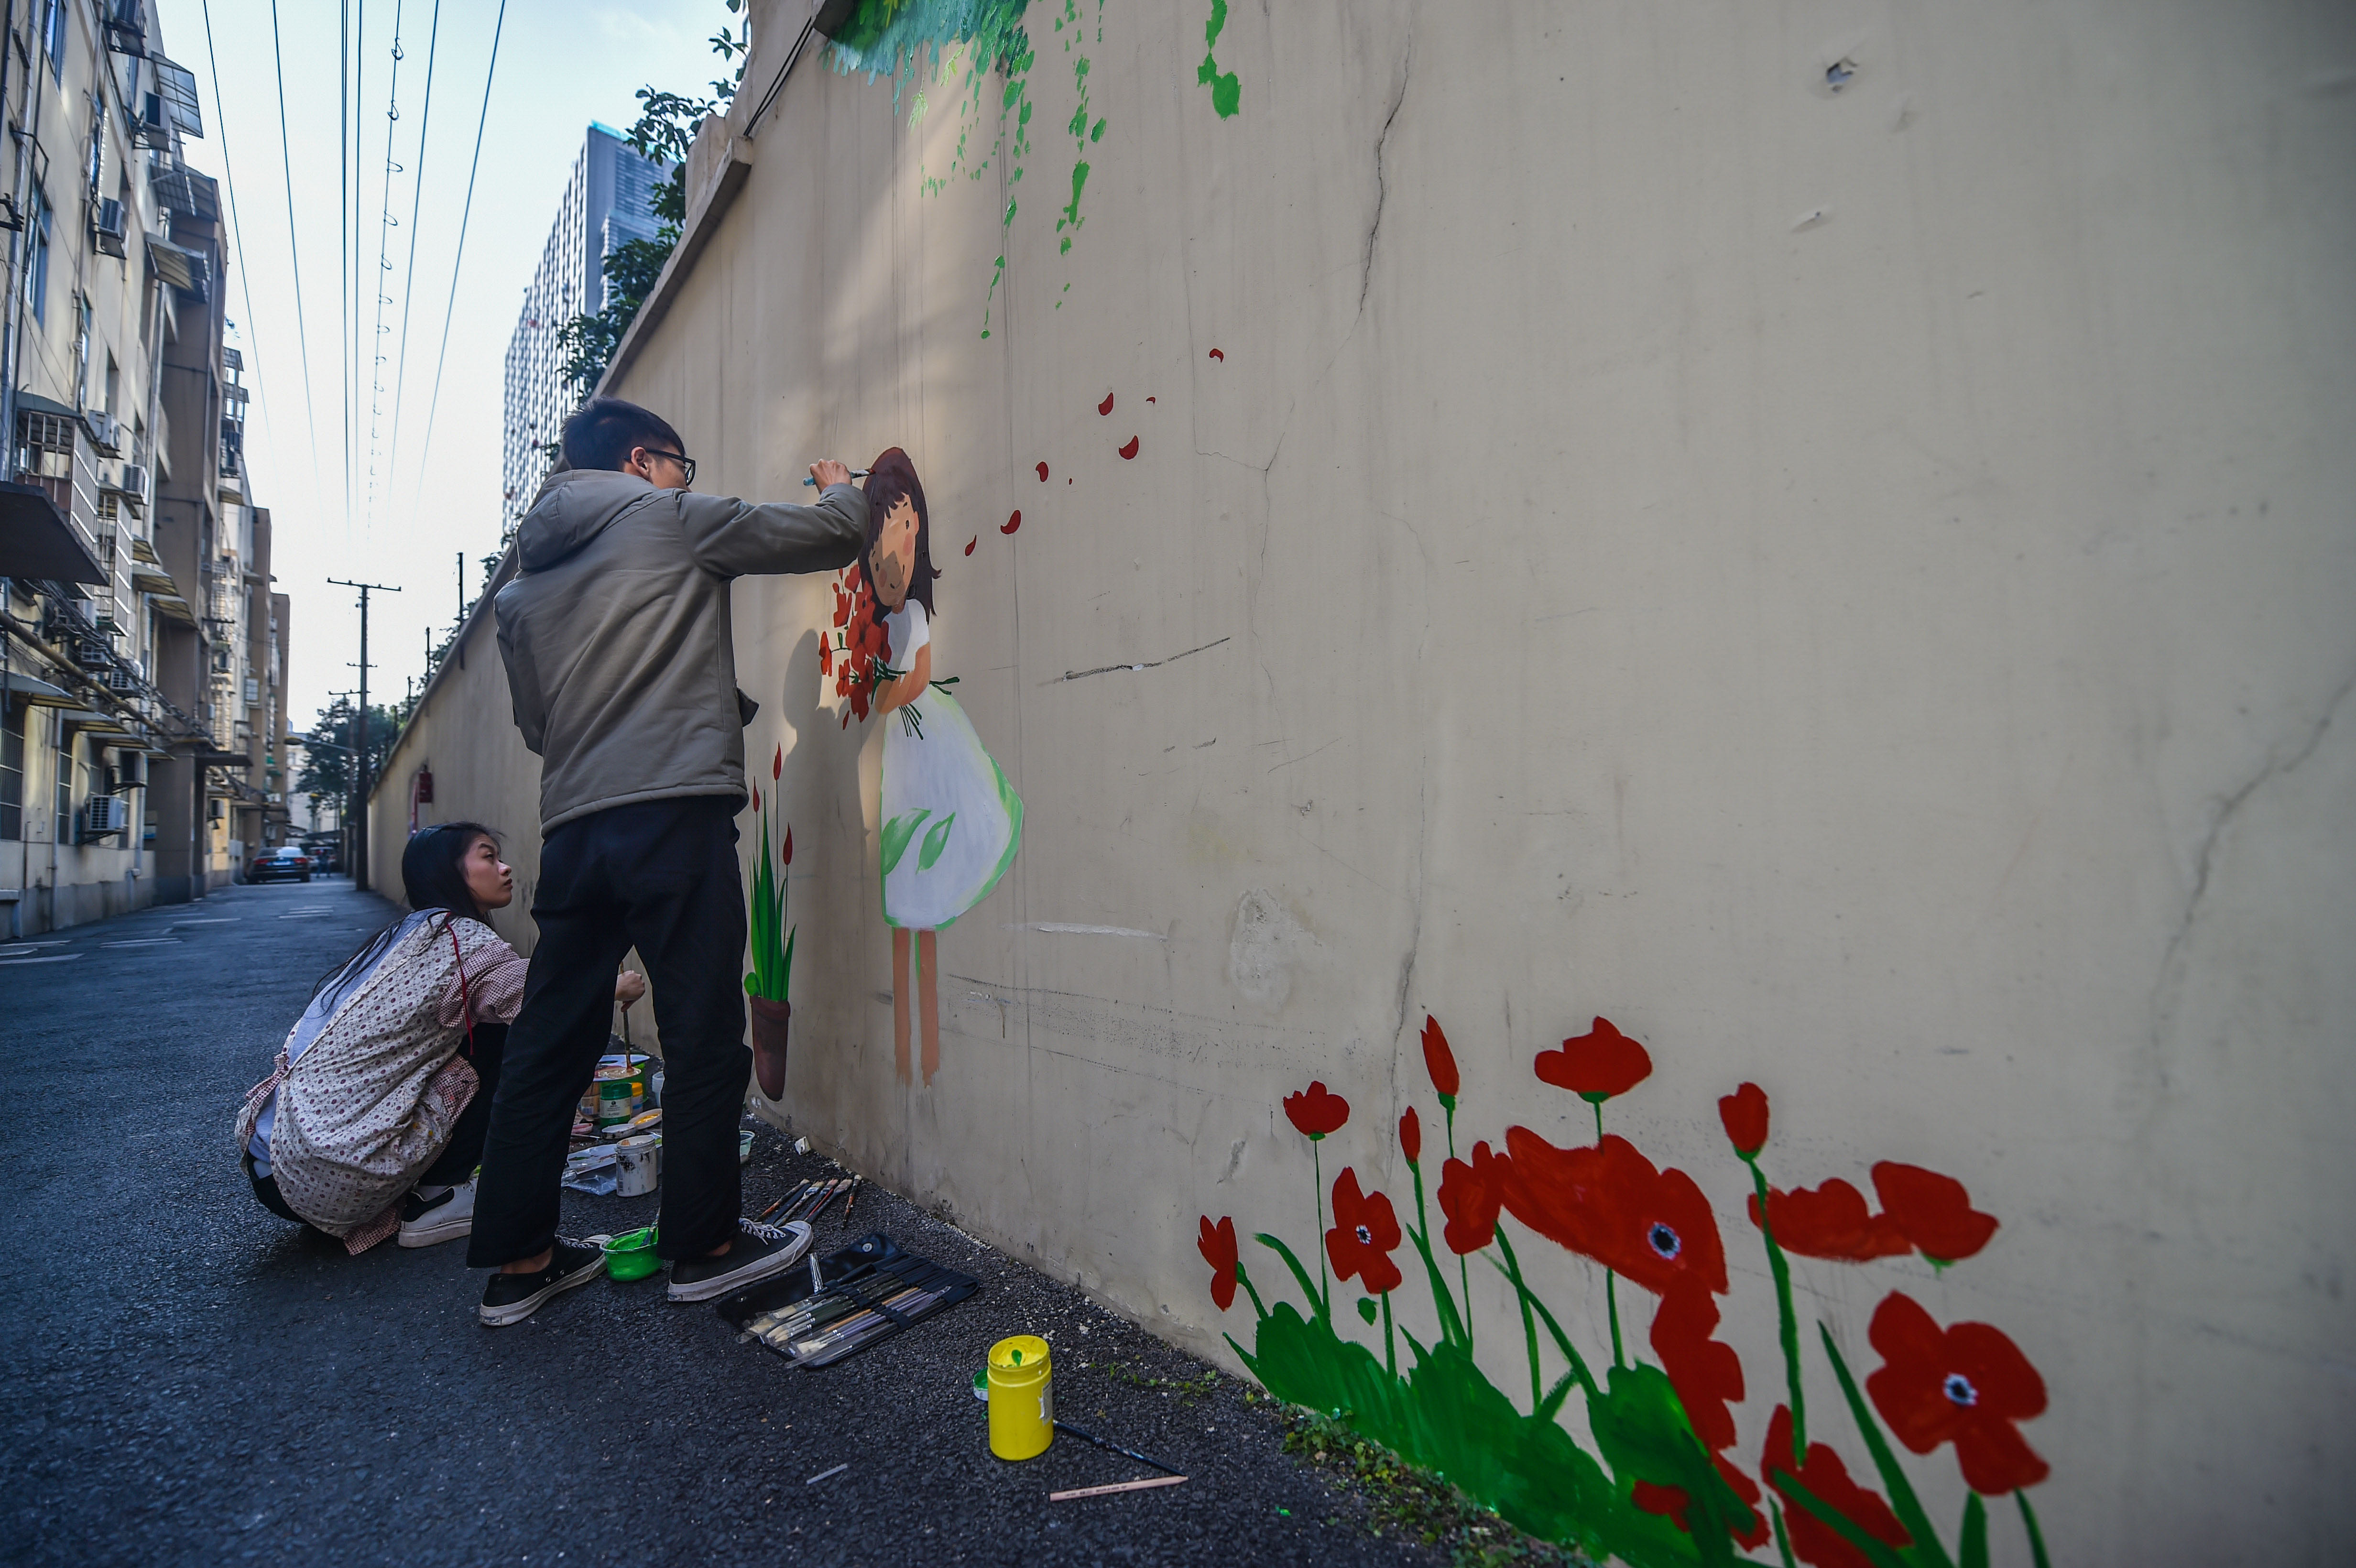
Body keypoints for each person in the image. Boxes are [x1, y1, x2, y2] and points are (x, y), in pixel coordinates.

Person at [470, 396, 866, 1327]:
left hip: (575, 827)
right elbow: (823, 535)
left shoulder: (522, 590)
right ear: (645, 461)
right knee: (699, 1032)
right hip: (674, 816)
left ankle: (521, 1264)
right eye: (679, 465)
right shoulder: (671, 517)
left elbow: (538, 726)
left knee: (548, 1043)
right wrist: (846, 488)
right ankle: (706, 1247)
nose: (684, 480)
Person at [236, 822, 644, 1253]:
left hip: (279, 1162)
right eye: (488, 857)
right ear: (449, 874)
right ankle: (441, 1198)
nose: (505, 868)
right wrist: (611, 987)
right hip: (330, 1172)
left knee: (476, 1028)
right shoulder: (460, 942)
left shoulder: (405, 935)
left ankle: (436, 1186)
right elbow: (542, 995)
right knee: (501, 1039)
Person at [856, 448, 1021, 1087]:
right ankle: (911, 1051)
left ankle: (923, 1055)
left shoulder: (915, 611)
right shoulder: (883, 611)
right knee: (904, 898)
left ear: (917, 523)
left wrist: (882, 698)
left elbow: (919, 678)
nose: (898, 535)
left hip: (927, 744)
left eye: (904, 522)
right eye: (886, 527)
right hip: (905, 756)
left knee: (921, 894)